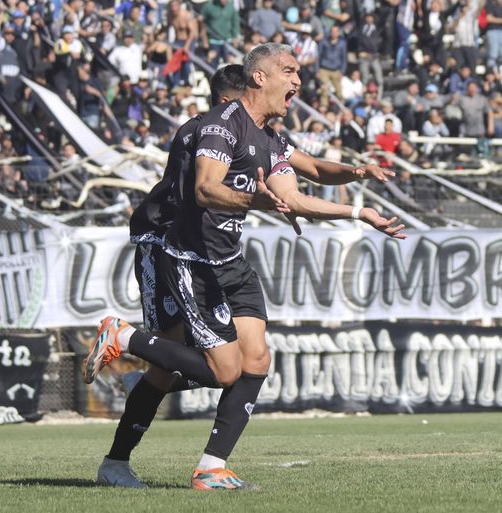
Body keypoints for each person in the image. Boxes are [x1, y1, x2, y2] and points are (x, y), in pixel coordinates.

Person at [89, 56, 399, 490]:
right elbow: (205, 190)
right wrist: (261, 200)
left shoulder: (266, 135)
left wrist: (358, 203)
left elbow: (305, 173)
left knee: (255, 359)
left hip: (225, 256)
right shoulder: (212, 128)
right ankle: (124, 366)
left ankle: (211, 467)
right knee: (198, 369)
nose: (298, 81)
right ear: (255, 81)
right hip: (172, 249)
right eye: (289, 72)